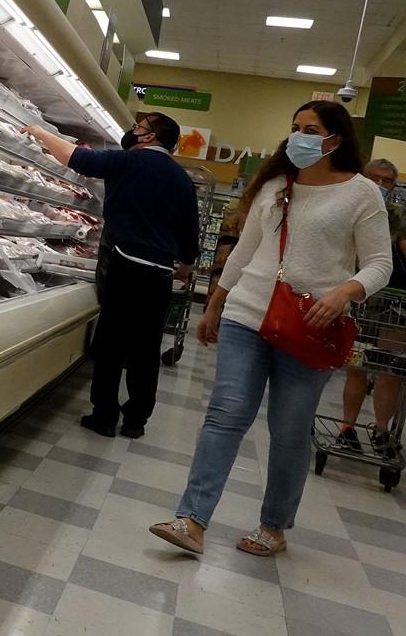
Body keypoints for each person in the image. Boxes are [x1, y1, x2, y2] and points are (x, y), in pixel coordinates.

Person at [150, 101, 392, 558]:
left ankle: (274, 526)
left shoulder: (362, 194)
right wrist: (215, 303)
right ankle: (192, 519)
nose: (299, 136)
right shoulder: (277, 185)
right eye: (295, 127)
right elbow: (244, 250)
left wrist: (344, 292)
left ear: (334, 140)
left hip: (310, 322)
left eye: (311, 129)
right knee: (226, 413)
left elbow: (380, 263)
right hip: (248, 313)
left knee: (289, 429)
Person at [25, 114, 200, 439]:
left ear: (149, 137)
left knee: (112, 342)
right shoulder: (182, 179)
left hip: (125, 261)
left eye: (139, 128)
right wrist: (186, 265)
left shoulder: (129, 162)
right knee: (146, 348)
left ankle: (105, 415)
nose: (132, 132)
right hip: (160, 272)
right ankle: (136, 420)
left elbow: (76, 158)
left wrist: (39, 132)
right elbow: (191, 231)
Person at [339, 158, 406, 455]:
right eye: (374, 178)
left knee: (391, 369)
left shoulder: (399, 217)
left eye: (387, 181)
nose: (380, 186)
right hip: (358, 300)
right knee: (357, 366)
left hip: (394, 306)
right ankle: (347, 427)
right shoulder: (347, 208)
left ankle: (381, 430)